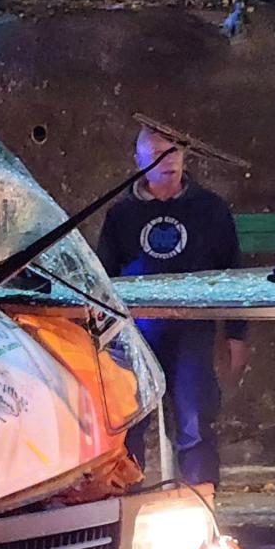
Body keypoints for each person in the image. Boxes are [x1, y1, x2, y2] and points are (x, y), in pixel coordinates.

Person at [97, 123, 249, 495]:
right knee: (127, 421)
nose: (170, 162)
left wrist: (236, 334)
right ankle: (126, 501)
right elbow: (104, 279)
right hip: (137, 333)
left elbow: (234, 274)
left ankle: (201, 502)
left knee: (195, 417)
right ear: (139, 163)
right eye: (158, 155)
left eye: (175, 152)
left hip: (192, 329)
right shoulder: (121, 215)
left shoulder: (210, 209)